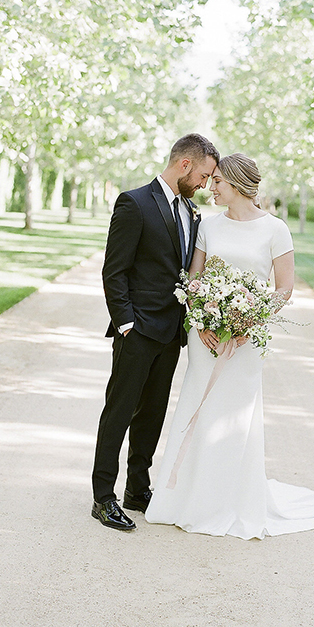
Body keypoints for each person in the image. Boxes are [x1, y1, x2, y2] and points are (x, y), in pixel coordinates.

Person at [145, 153, 314, 539]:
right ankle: (182, 499)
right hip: (205, 339)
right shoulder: (207, 226)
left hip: (246, 340)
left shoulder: (275, 230)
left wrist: (250, 320)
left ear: (239, 185)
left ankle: (228, 501)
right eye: (211, 182)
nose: (211, 187)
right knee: (197, 406)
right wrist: (201, 320)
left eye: (218, 183)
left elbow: (284, 289)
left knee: (233, 417)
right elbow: (194, 280)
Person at [91, 133, 220, 531]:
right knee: (119, 412)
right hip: (138, 331)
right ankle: (103, 498)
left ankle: (137, 489)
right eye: (203, 175)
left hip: (170, 335)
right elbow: (115, 271)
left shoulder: (192, 212)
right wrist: (127, 323)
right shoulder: (134, 203)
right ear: (184, 165)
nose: (204, 183)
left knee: (152, 416)